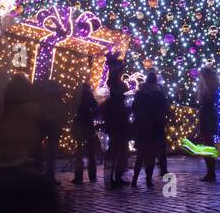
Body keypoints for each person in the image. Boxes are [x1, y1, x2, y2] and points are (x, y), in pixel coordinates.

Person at [131, 71, 168, 187]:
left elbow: (134, 108)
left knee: (140, 154)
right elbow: (164, 109)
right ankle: (148, 179)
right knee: (151, 154)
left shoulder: (140, 93)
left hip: (142, 127)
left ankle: (135, 179)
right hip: (155, 128)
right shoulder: (159, 93)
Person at [101, 57, 130, 187]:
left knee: (120, 149)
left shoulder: (117, 84)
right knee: (116, 149)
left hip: (119, 120)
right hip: (116, 120)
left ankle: (116, 176)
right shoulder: (115, 85)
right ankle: (111, 178)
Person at [34, 76, 66, 182]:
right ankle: (49, 176)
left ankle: (38, 174)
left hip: (43, 124)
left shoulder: (41, 97)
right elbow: (61, 111)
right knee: (51, 153)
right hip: (53, 126)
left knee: (39, 151)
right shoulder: (57, 98)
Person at [71, 76, 100, 184]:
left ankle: (78, 176)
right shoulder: (89, 95)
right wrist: (91, 115)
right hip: (88, 124)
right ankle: (92, 176)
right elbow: (96, 108)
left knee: (79, 151)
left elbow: (72, 108)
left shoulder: (76, 95)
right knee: (91, 151)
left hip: (79, 124)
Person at [196, 66, 220, 183]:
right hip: (210, 119)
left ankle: (210, 172)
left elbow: (205, 105)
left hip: (206, 119)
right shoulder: (214, 87)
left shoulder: (206, 90)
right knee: (209, 145)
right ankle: (211, 172)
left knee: (207, 145)